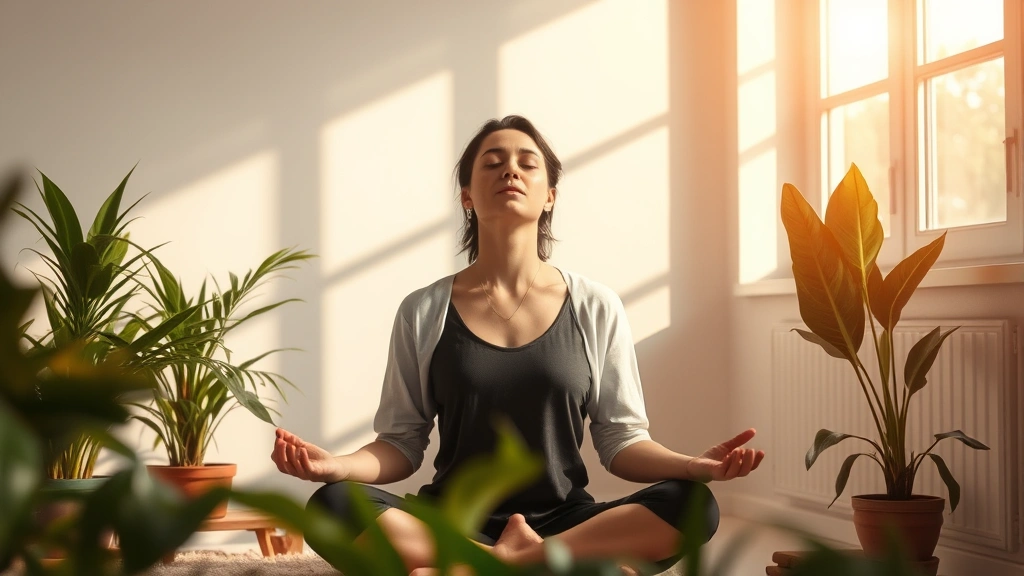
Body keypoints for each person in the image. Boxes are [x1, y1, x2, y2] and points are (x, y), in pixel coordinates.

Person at [271, 115, 764, 574]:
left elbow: (621, 442)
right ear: (467, 196)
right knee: (333, 504)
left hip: (564, 522)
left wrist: (692, 466)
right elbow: (401, 443)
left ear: (550, 195)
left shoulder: (595, 305)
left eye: (527, 163)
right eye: (492, 163)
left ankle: (486, 565)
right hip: (452, 520)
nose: (510, 170)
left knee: (692, 504)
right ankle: (529, 565)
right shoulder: (423, 310)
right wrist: (336, 465)